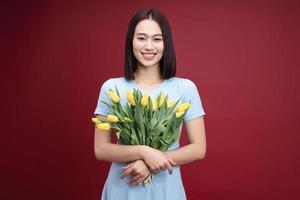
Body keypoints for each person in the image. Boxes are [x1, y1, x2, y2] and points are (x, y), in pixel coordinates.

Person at [93, 8, 206, 200]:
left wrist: (151, 162)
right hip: (123, 187)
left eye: (157, 39)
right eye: (142, 38)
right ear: (131, 41)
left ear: (166, 44)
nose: (149, 46)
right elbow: (101, 149)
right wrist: (144, 152)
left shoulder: (185, 88)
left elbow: (198, 148)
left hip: (166, 189)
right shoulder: (111, 88)